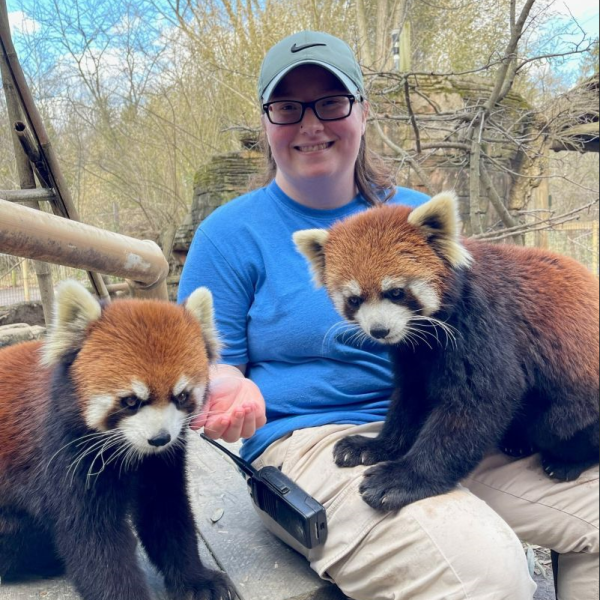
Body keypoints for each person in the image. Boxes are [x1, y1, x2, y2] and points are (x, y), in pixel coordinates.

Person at [178, 30, 599, 600]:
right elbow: (200, 364)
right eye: (287, 107)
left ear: (362, 111)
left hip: (447, 430)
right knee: (481, 571)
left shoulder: (412, 214)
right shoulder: (230, 234)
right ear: (266, 122)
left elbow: (472, 372)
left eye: (331, 103)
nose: (311, 123)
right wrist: (226, 382)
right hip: (312, 442)